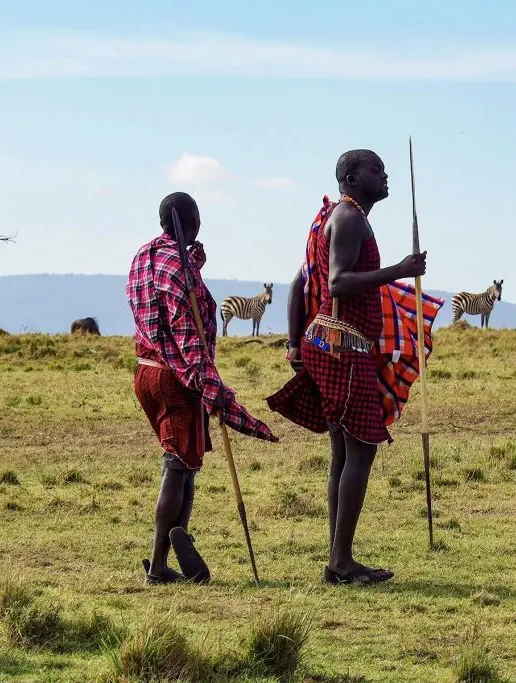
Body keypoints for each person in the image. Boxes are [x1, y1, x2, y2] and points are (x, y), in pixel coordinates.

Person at [267, 150, 442, 585]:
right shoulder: (348, 218)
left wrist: (294, 344)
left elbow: (300, 282)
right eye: (376, 170)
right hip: (344, 346)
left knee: (344, 453)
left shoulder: (338, 216)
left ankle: (337, 559)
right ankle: (340, 562)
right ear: (351, 177)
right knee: (359, 449)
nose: (385, 177)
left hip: (332, 344)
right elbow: (337, 282)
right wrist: (398, 270)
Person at [127, 191, 278, 586]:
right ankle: (158, 567)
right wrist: (218, 396)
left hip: (146, 372)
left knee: (183, 461)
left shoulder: (145, 256)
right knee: (177, 466)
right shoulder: (181, 272)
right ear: (192, 223)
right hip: (175, 377)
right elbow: (187, 341)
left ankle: (178, 540)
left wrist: (192, 261)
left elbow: (159, 302)